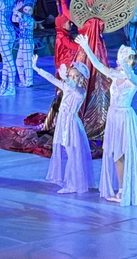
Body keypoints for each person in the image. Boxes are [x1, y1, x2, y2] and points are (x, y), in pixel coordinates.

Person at [75, 35, 137, 206]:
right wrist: (86, 48)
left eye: (123, 59)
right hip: (113, 116)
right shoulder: (116, 75)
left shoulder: (135, 80)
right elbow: (98, 66)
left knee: (126, 153)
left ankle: (130, 189)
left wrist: (125, 65)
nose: (119, 61)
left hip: (125, 117)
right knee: (116, 154)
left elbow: (131, 76)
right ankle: (122, 190)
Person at [32, 55, 94, 194]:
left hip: (71, 124)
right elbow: (52, 79)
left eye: (76, 76)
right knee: (68, 152)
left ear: (82, 78)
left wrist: (66, 79)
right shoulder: (67, 86)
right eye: (71, 76)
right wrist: (36, 68)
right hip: (63, 122)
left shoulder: (80, 91)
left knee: (73, 154)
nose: (74, 79)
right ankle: (73, 182)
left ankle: (74, 184)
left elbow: (73, 90)